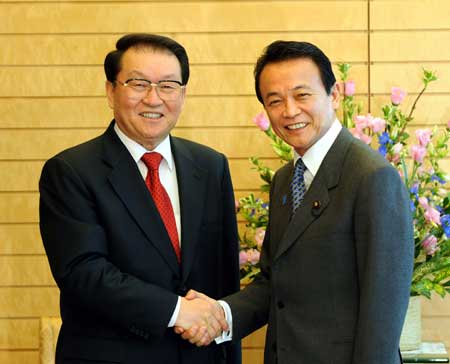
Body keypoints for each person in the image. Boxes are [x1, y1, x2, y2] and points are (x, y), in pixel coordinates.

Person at [179, 41, 414, 364]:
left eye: (302, 95)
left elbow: (383, 311)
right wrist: (222, 313)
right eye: (275, 101)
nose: (289, 111)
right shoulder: (284, 180)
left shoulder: (371, 176)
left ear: (333, 95)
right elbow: (274, 283)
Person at [39, 33, 241, 364]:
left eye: (168, 85)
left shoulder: (210, 166)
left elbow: (224, 278)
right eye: (138, 83)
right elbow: (83, 272)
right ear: (110, 91)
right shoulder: (71, 171)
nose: (153, 98)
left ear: (183, 93)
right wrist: (177, 312)